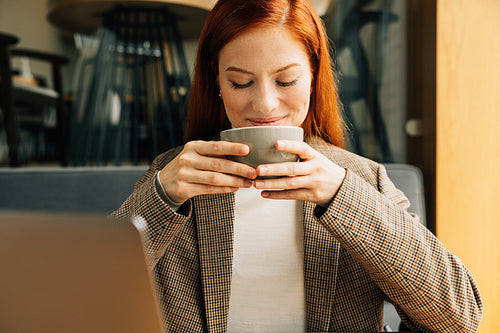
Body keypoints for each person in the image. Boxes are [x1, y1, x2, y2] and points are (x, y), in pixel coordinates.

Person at [112, 0, 483, 331]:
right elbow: (83, 296)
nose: (265, 105)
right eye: (241, 83)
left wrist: (343, 195)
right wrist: (161, 196)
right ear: (217, 83)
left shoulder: (364, 180)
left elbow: (458, 317)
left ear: (313, 78)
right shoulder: (175, 175)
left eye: (286, 80)